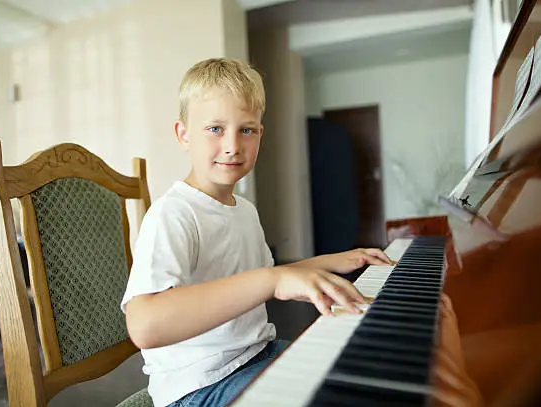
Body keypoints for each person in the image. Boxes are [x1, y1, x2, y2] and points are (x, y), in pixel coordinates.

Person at [121, 58, 390, 407]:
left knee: (352, 369)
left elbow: (271, 276)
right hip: (200, 385)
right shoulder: (174, 213)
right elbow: (145, 325)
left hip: (255, 354)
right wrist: (273, 280)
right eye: (215, 129)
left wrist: (338, 260)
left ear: (260, 134)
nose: (233, 145)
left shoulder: (244, 209)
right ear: (183, 135)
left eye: (246, 129)